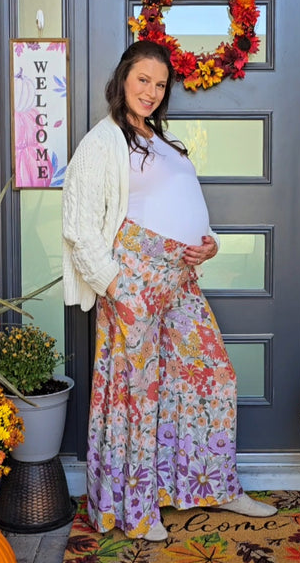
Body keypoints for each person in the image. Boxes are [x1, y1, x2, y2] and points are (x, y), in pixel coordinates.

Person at [62, 40, 277, 542]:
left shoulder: (165, 141)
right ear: (123, 79)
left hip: (179, 277)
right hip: (133, 276)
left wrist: (209, 244)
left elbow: (185, 202)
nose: (151, 92)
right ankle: (137, 510)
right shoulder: (103, 141)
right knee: (140, 395)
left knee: (211, 378)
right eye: (143, 80)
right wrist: (116, 286)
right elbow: (79, 224)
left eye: (160, 85)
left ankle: (217, 485)